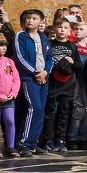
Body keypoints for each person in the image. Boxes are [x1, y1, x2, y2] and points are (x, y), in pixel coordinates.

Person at [13, 9, 51, 155]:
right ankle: (23, 143)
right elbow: (20, 58)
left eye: (34, 18)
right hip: (29, 78)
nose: (30, 20)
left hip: (43, 78)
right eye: (28, 18)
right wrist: (36, 73)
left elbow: (50, 58)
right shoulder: (21, 36)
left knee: (40, 110)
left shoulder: (44, 38)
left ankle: (33, 143)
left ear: (41, 22)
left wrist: (46, 72)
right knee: (33, 108)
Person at [44, 18, 82, 153]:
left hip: (68, 85)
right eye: (59, 27)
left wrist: (72, 62)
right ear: (54, 29)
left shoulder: (72, 46)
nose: (62, 30)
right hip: (53, 85)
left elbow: (79, 66)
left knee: (64, 114)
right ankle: (48, 140)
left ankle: (60, 139)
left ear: (69, 30)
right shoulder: (48, 44)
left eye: (65, 28)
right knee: (50, 113)